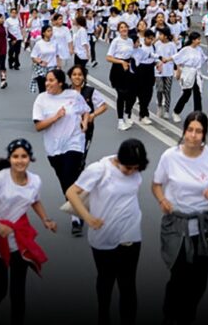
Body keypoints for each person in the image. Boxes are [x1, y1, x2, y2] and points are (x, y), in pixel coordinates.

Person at [152, 111, 208, 325]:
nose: (193, 135)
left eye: (199, 131)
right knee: (179, 278)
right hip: (175, 226)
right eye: (190, 130)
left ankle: (187, 316)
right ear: (184, 131)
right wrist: (162, 201)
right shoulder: (170, 156)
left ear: (204, 134)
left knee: (198, 284)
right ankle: (170, 316)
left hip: (202, 229)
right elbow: (156, 184)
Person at [65, 138, 148, 325]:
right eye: (128, 168)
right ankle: (103, 316)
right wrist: (87, 218)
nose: (132, 172)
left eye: (136, 168)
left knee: (128, 284)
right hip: (103, 233)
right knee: (106, 280)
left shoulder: (135, 169)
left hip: (130, 232)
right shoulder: (99, 169)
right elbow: (71, 193)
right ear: (119, 160)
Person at [0, 139, 57, 325]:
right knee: (0, 289)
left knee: (18, 291)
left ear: (30, 158)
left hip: (19, 240)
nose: (20, 161)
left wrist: (46, 220)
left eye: (24, 156)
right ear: (10, 158)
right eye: (15, 156)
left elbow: (35, 201)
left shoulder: (35, 181)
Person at [32, 68, 91, 236]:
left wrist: (85, 124)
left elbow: (85, 110)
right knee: (65, 182)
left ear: (60, 82)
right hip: (53, 147)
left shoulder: (73, 96)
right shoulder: (41, 99)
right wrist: (55, 117)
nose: (47, 84)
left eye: (51, 80)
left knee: (69, 176)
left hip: (74, 143)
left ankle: (76, 217)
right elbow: (38, 126)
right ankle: (80, 202)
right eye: (46, 81)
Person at [68, 64, 109, 166]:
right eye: (74, 75)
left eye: (80, 75)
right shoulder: (65, 91)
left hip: (85, 129)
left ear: (84, 77)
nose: (77, 77)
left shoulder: (90, 91)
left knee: (81, 156)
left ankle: (79, 174)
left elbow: (103, 106)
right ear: (70, 77)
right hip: (68, 129)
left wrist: (93, 115)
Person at [105, 22, 136, 130]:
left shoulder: (130, 41)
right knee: (121, 95)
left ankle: (127, 114)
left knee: (131, 95)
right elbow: (108, 57)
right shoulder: (116, 41)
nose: (124, 29)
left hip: (128, 68)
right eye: (121, 28)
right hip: (118, 69)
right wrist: (121, 62)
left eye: (125, 27)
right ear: (118, 30)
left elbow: (132, 54)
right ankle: (120, 120)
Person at [171, 32, 205, 122]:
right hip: (187, 73)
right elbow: (176, 58)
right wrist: (166, 60)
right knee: (186, 94)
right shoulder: (186, 49)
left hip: (196, 73)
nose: (199, 41)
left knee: (197, 94)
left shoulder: (199, 49)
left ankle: (197, 115)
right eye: (198, 39)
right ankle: (176, 112)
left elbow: (204, 58)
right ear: (193, 40)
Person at [29, 24, 59, 94]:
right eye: (48, 31)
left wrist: (58, 67)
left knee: (52, 89)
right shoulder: (39, 44)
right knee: (43, 91)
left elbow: (57, 55)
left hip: (52, 69)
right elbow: (33, 57)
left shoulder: (55, 43)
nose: (50, 32)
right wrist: (40, 61)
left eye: (51, 31)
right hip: (42, 70)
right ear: (43, 33)